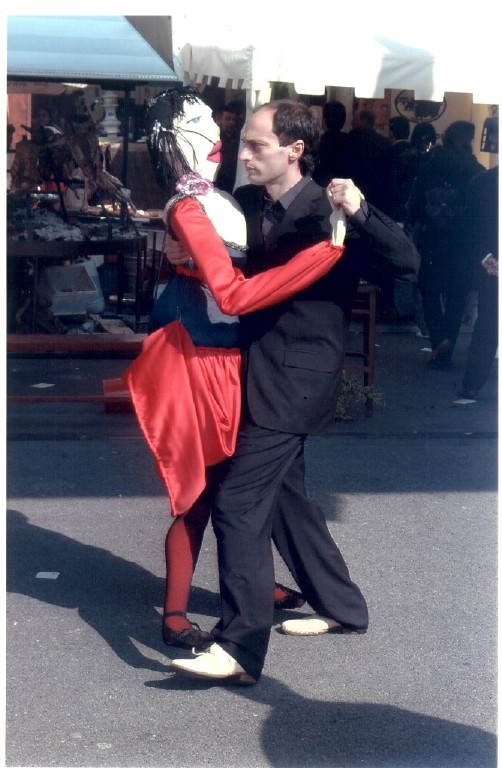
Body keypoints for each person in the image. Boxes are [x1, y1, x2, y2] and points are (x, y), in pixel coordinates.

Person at [170, 98, 420, 684]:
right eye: (244, 144)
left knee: (237, 505)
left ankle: (239, 647)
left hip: (298, 381)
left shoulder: (327, 209)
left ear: (295, 150)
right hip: (252, 373)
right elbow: (236, 275)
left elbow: (408, 262)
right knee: (288, 503)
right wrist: (187, 255)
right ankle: (342, 607)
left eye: (257, 145)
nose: (244, 154)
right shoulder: (249, 203)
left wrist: (361, 210)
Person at [121, 87, 347, 652]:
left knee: (240, 481)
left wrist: (180, 254)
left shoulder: (225, 199)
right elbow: (232, 292)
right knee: (202, 489)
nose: (218, 135)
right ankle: (176, 613)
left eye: (216, 123)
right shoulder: (191, 205)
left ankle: (252, 588)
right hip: (196, 358)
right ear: (172, 138)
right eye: (200, 122)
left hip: (235, 358)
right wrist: (324, 253)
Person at [406, 120, 485, 367]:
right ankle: (447, 346)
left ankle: (438, 339)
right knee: (456, 295)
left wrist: (416, 224)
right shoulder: (476, 170)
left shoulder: (431, 165)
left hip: (433, 238)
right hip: (463, 241)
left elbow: (416, 202)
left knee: (429, 290)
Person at [457, 165, 498, 400]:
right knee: (489, 324)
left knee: (488, 324)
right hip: (493, 265)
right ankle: (472, 382)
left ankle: (472, 384)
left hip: (493, 265)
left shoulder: (482, 182)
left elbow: (468, 228)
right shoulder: (482, 182)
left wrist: (484, 256)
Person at [312, 100, 350, 186]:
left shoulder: (318, 141)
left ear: (325, 120)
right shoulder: (350, 141)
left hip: (321, 186)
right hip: (343, 186)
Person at [213, 104, 240, 193]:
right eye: (228, 119)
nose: (232, 123)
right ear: (218, 120)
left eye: (234, 120)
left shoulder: (236, 140)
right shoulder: (212, 140)